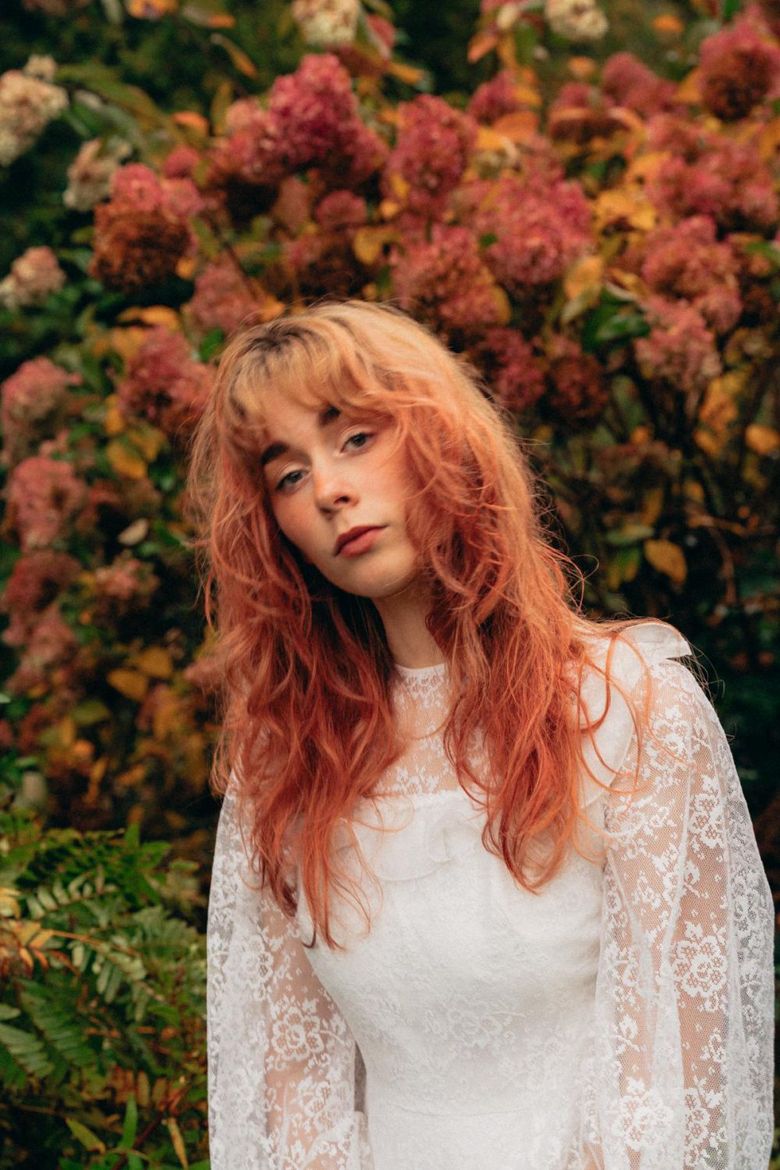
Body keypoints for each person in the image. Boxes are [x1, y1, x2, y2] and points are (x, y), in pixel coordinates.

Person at [186, 300, 774, 1170]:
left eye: (355, 439)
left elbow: (674, 1082)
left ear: (442, 437)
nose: (330, 490)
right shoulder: (287, 763)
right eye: (289, 475)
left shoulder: (630, 708)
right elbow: (291, 1091)